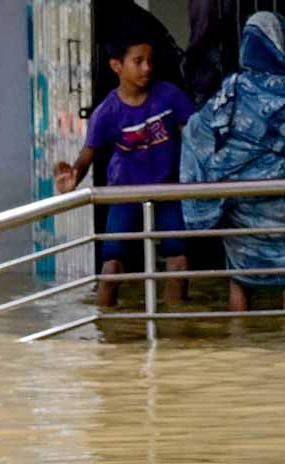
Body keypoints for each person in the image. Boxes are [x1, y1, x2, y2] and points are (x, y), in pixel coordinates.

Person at [180, 13, 285, 313]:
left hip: (239, 199)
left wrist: (224, 166)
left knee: (239, 276)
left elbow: (198, 128)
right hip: (284, 202)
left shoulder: (233, 88)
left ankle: (240, 348)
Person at [55, 35, 197, 307]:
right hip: (124, 192)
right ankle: (105, 329)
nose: (147, 68)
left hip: (169, 188)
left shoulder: (168, 95)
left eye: (149, 61)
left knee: (178, 262)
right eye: (138, 61)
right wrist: (74, 173)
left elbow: (193, 135)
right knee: (112, 268)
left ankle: (177, 330)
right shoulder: (107, 112)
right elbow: (88, 153)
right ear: (117, 66)